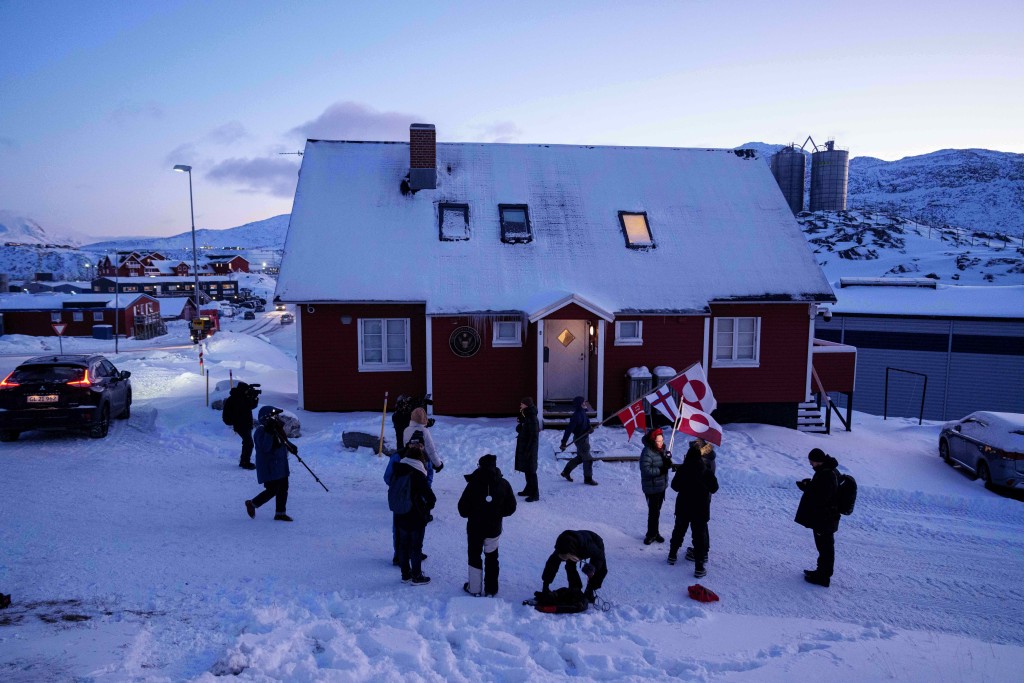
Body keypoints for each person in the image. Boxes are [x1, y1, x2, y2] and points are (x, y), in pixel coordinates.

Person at [457, 454, 517, 596]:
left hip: (475, 529)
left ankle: (475, 588)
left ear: (480, 466)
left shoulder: (473, 484)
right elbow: (511, 507)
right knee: (491, 557)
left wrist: (473, 513)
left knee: (474, 556)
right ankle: (491, 589)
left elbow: (462, 509)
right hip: (493, 529)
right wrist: (498, 513)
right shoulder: (504, 484)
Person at [667, 438, 719, 578]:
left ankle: (672, 556)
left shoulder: (683, 469)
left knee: (678, 531)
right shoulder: (705, 470)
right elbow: (714, 488)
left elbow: (674, 486)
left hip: (683, 507)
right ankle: (699, 567)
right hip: (700, 509)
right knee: (698, 537)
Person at [391, 436, 437, 585]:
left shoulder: (398, 469)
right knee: (416, 546)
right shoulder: (417, 474)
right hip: (415, 515)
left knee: (403, 545)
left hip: (399, 513)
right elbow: (431, 498)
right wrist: (427, 508)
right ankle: (417, 576)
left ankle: (405, 574)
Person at [795, 448, 841, 587]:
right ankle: (821, 572)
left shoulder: (826, 474)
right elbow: (821, 491)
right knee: (824, 547)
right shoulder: (828, 470)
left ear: (817, 461)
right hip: (827, 518)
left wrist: (807, 488)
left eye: (812, 462)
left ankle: (823, 577)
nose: (811, 465)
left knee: (825, 548)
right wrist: (810, 484)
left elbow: (821, 498)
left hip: (824, 518)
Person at [244, 406, 296, 522]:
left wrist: (291, 446)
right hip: (269, 467)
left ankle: (280, 513)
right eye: (273, 416)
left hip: (280, 465)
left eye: (276, 416)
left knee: (283, 488)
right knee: (272, 489)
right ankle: (252, 504)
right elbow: (265, 448)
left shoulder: (277, 429)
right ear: (266, 418)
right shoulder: (260, 431)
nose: (276, 418)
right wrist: (269, 432)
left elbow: (282, 441)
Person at [541, 530, 607, 604]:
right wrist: (545, 586)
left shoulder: (589, 547)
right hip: (573, 547)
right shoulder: (561, 547)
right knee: (570, 566)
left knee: (600, 570)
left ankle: (589, 591)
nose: (564, 560)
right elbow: (551, 566)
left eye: (565, 558)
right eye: (563, 558)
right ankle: (575, 588)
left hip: (594, 543)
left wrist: (593, 567)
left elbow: (600, 556)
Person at [639, 428, 674, 545]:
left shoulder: (662, 449)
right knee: (653, 511)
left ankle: (655, 532)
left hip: (661, 485)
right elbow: (646, 470)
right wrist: (661, 469)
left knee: (657, 511)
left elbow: (664, 461)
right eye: (658, 441)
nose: (661, 443)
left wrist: (668, 462)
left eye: (662, 440)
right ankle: (650, 534)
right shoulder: (647, 452)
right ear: (653, 441)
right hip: (652, 487)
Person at [559, 396, 597, 486]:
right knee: (588, 459)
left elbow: (587, 424)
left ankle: (566, 472)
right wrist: (564, 442)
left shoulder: (583, 413)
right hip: (580, 440)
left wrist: (590, 429)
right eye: (583, 403)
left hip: (584, 438)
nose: (585, 404)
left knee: (580, 457)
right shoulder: (576, 416)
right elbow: (568, 429)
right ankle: (588, 479)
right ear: (579, 404)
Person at [403, 407, 444, 484]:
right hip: (423, 461)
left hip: (409, 459)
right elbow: (431, 451)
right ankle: (425, 493)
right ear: (424, 418)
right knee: (428, 479)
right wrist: (438, 464)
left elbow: (405, 445)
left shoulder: (406, 430)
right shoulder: (425, 431)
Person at [225, 381, 258, 470]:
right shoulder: (236, 398)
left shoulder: (241, 397)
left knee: (247, 443)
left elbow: (251, 406)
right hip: (241, 424)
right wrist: (251, 397)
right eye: (247, 391)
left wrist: (255, 397)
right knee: (249, 443)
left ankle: (244, 461)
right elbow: (245, 407)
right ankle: (244, 462)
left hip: (246, 424)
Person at [514, 397, 540, 502]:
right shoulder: (527, 416)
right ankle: (528, 489)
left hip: (530, 449)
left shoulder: (532, 418)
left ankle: (535, 494)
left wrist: (529, 451)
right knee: (527, 470)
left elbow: (534, 436)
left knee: (531, 471)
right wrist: (521, 422)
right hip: (526, 447)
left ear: (527, 405)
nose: (520, 405)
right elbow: (522, 430)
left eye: (522, 404)